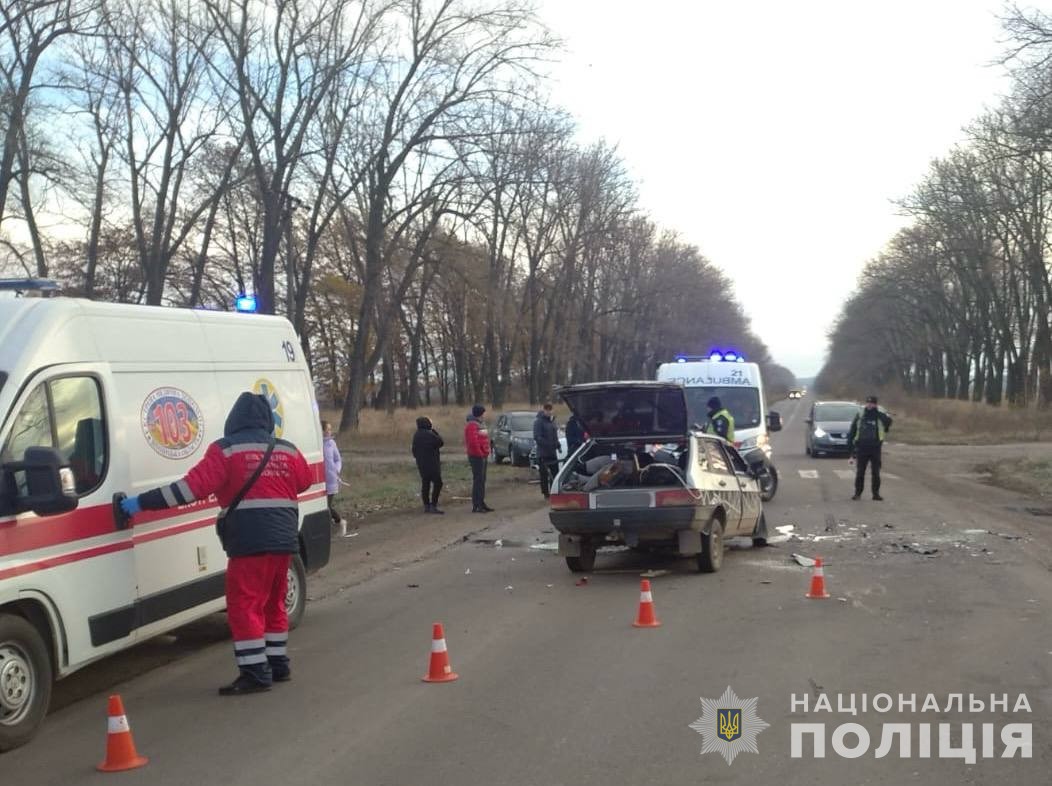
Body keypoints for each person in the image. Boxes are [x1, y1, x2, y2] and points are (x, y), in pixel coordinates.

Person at [120, 392, 312, 695]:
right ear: (266, 421)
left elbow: (189, 489)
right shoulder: (287, 450)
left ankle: (254, 673)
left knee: (244, 605)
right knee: (273, 602)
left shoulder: (226, 451)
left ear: (233, 420)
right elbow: (304, 481)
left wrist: (141, 502)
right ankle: (277, 664)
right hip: (285, 539)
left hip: (250, 540)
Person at [847, 395, 893, 501]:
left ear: (875, 404)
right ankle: (858, 493)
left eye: (872, 403)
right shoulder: (860, 414)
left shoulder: (880, 415)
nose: (869, 405)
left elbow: (888, 424)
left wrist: (884, 416)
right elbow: (853, 431)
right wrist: (851, 449)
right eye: (868, 403)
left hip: (875, 448)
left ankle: (876, 494)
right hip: (862, 447)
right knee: (860, 472)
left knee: (876, 473)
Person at [412, 416, 444, 514]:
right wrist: (434, 431)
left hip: (421, 464)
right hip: (432, 463)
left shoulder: (416, 435)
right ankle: (433, 505)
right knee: (438, 483)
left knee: (425, 483)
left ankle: (426, 505)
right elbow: (440, 442)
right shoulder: (429, 434)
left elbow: (414, 450)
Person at [464, 404, 493, 513]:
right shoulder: (472, 425)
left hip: (482, 455)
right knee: (478, 480)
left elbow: (483, 439)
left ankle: (481, 502)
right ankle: (477, 504)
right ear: (480, 414)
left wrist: (486, 451)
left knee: (482, 480)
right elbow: (473, 442)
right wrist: (480, 453)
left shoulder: (480, 424)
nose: (484, 415)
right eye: (483, 413)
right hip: (476, 456)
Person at [322, 421, 347, 535]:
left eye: (330, 429)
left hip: (331, 479)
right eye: (327, 429)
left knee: (326, 505)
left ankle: (340, 521)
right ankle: (329, 525)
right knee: (322, 507)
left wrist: (336, 469)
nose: (329, 431)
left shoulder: (331, 443)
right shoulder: (316, 444)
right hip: (319, 481)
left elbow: (338, 459)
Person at [533, 402, 560, 498]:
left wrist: (557, 444)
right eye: (547, 410)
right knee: (544, 474)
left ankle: (554, 490)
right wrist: (547, 444)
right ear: (544, 410)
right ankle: (545, 493)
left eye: (550, 410)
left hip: (552, 452)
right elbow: (537, 437)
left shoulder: (552, 421)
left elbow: (554, 435)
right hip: (543, 453)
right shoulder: (539, 422)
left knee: (555, 472)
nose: (548, 412)